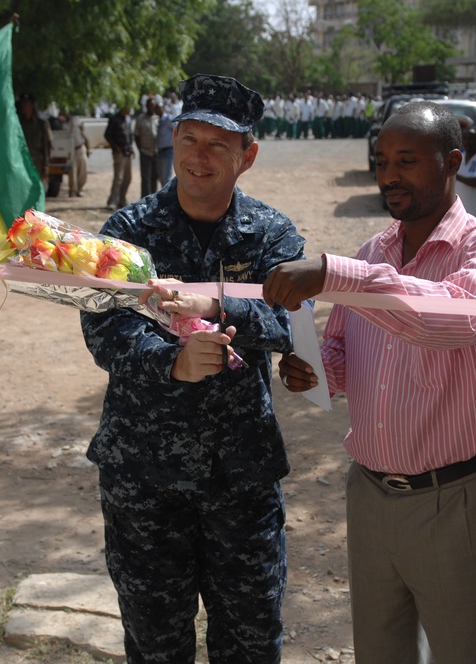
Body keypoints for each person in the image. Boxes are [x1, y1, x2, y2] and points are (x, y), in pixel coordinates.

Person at [264, 101, 476, 663]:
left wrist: (336, 274)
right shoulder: (375, 252)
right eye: (382, 160)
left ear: (452, 161)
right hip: (372, 495)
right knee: (380, 652)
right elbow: (341, 351)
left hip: (456, 499)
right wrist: (313, 371)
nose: (389, 175)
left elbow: (447, 319)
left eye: (407, 161)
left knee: (469, 652)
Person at [80, 73, 305, 663]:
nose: (198, 158)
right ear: (172, 140)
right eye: (189, 140)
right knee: (157, 646)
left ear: (247, 155)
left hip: (242, 477)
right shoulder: (128, 235)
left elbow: (288, 322)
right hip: (145, 479)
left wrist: (218, 307)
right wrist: (172, 363)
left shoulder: (270, 234)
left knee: (252, 643)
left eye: (217, 145)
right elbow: (104, 330)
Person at [17, 92, 52, 188]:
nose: (24, 107)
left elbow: (46, 146)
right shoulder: (18, 125)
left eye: (26, 104)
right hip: (21, 163)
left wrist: (46, 166)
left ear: (32, 105)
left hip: (37, 164)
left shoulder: (41, 125)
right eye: (22, 104)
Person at [104, 106, 133, 210]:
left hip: (127, 152)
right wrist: (116, 147)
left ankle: (122, 199)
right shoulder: (114, 119)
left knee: (128, 177)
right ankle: (113, 201)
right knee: (118, 178)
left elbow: (129, 135)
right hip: (119, 152)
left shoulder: (127, 119)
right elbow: (107, 135)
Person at [133, 99, 159, 198]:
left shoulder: (158, 118)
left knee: (154, 178)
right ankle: (144, 201)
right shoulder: (140, 119)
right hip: (145, 152)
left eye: (152, 105)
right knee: (145, 178)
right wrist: (140, 149)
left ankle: (153, 200)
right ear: (146, 106)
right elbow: (136, 135)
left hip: (156, 153)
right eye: (149, 105)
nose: (150, 107)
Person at [63, 111, 89, 197]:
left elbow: (84, 135)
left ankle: (80, 189)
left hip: (80, 147)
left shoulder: (76, 121)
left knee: (82, 169)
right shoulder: (64, 125)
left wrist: (88, 148)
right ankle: (73, 190)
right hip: (70, 150)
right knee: (72, 171)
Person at [155, 102, 175, 185]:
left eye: (158, 108)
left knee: (167, 177)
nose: (156, 110)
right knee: (162, 178)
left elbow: (177, 131)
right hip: (160, 151)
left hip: (168, 151)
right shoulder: (159, 120)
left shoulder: (168, 119)